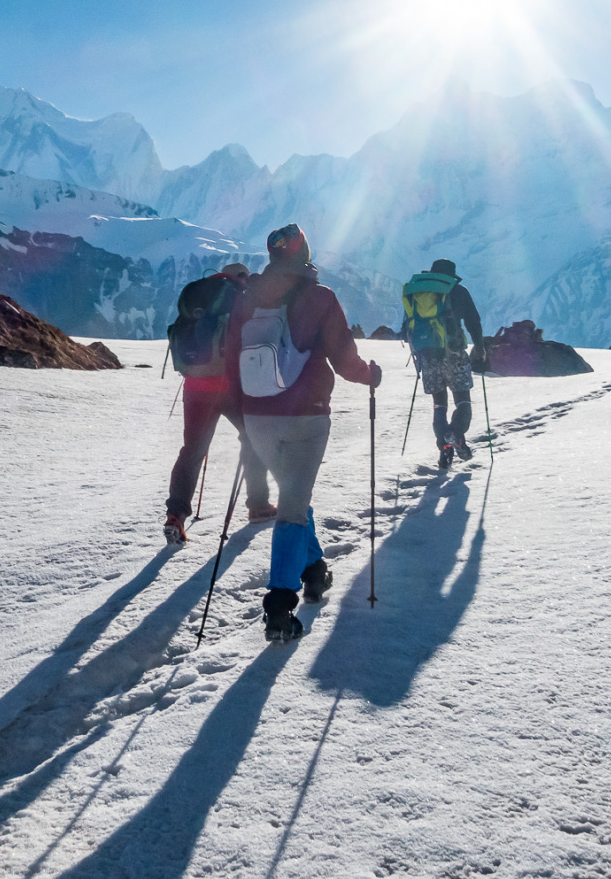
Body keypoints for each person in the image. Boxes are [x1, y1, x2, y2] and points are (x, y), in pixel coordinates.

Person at [225, 223, 381, 643]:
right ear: (305, 253)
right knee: (293, 508)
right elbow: (346, 360)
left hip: (257, 417)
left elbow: (229, 357)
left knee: (296, 495)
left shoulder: (247, 298)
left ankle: (314, 572)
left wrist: (241, 409)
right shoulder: (320, 297)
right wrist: (371, 375)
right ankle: (279, 606)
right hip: (306, 418)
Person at [163, 263, 272, 543]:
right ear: (242, 278)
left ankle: (176, 515)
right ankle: (258, 505)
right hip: (231, 384)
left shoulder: (196, 295)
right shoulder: (239, 296)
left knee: (193, 449)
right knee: (253, 438)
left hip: (196, 385)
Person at [401, 257, 484, 469]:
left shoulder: (418, 292)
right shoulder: (458, 290)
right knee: (463, 401)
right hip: (453, 352)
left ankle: (445, 450)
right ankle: (455, 435)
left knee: (439, 404)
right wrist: (480, 346)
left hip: (427, 355)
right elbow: (473, 321)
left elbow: (406, 325)